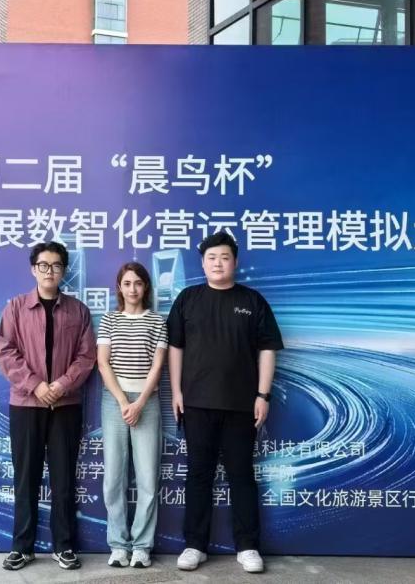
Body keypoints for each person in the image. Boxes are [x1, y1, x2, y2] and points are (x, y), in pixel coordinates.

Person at [167, 232, 284, 574]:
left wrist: (263, 395)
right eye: (212, 257)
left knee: (241, 475)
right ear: (202, 263)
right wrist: (176, 392)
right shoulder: (188, 299)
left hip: (241, 405)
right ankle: (194, 545)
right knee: (198, 475)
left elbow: (267, 349)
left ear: (235, 262)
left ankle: (247, 546)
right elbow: (176, 348)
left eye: (224, 257)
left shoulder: (252, 300)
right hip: (197, 403)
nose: (218, 263)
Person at [0, 241, 97, 571]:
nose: (49, 271)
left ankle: (63, 546)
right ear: (33, 269)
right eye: (43, 265)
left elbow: (86, 356)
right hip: (26, 403)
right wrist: (36, 385)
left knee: (64, 478)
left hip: (66, 404)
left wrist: (62, 384)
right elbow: (5, 352)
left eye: (56, 265)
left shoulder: (78, 311)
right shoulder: (15, 308)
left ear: (64, 270)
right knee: (26, 477)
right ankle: (22, 547)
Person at [96, 262, 167, 569]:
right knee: (114, 477)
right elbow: (103, 363)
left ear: (145, 287)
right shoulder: (109, 319)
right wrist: (124, 401)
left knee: (148, 476)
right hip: (114, 401)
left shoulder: (157, 321)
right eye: (127, 283)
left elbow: (158, 365)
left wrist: (139, 404)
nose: (133, 289)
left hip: (147, 402)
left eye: (138, 283)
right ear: (119, 287)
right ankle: (118, 545)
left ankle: (141, 546)